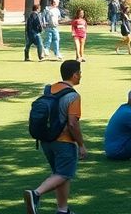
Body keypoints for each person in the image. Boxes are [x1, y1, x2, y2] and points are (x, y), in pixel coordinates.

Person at [23, 60, 85, 214]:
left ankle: (63, 210)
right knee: (64, 173)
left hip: (46, 140)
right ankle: (36, 194)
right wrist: (81, 144)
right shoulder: (73, 96)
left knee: (60, 175)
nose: (81, 76)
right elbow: (72, 124)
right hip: (64, 142)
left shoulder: (50, 89)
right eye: (80, 73)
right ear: (75, 74)